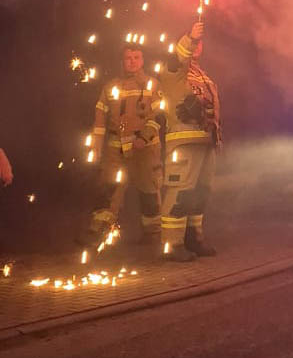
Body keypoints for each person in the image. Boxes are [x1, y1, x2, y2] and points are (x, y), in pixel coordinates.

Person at [78, 44, 162, 247]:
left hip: (145, 148)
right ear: (122, 61)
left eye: (136, 57)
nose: (132, 61)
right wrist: (96, 147)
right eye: (128, 58)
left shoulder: (152, 84)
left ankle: (152, 235)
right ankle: (96, 233)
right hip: (115, 149)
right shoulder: (110, 87)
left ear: (143, 61)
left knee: (149, 191)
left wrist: (144, 137)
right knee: (108, 187)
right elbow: (99, 121)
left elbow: (158, 116)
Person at [156, 22, 222, 262]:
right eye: (193, 43)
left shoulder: (203, 75)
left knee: (201, 192)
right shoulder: (172, 68)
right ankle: (172, 244)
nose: (196, 46)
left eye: (199, 42)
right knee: (180, 192)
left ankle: (194, 237)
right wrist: (190, 38)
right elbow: (178, 59)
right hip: (183, 142)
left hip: (205, 141)